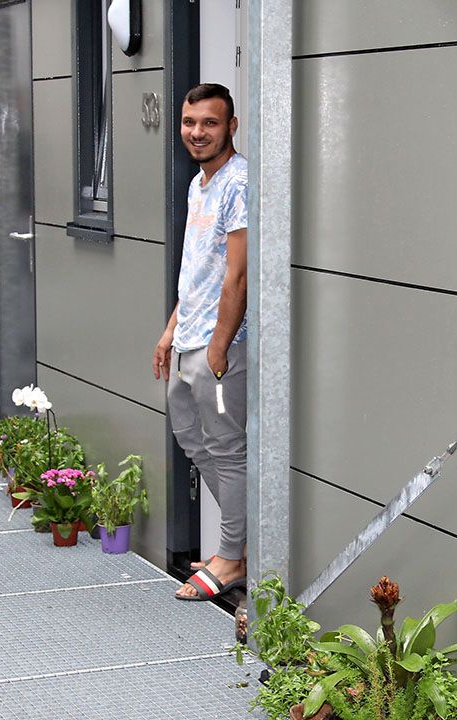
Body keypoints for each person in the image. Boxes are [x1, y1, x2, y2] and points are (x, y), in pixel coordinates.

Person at [153, 83, 249, 601]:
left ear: (230, 126)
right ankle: (242, 540)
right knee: (192, 438)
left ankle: (231, 558)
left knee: (227, 448)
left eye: (209, 123)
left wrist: (219, 345)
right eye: (190, 123)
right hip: (188, 338)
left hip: (221, 347)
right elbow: (197, 269)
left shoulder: (240, 182)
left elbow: (238, 277)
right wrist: (171, 330)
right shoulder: (200, 183)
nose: (197, 132)